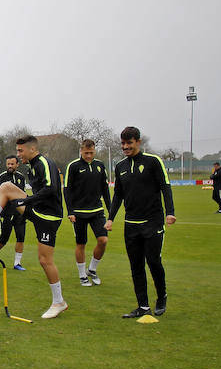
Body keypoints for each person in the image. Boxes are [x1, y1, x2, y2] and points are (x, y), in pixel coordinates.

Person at [0, 135, 67, 319]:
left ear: (32, 149)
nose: (18, 154)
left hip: (49, 217)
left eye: (21, 151)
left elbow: (51, 189)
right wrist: (27, 200)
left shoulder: (44, 163)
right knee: (5, 186)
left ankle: (59, 302)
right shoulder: (32, 166)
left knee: (45, 260)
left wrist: (26, 200)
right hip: (38, 211)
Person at [104, 126, 175, 318]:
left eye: (129, 143)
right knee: (136, 265)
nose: (125, 147)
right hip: (131, 224)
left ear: (138, 142)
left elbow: (165, 187)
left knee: (153, 261)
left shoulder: (153, 162)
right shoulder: (120, 167)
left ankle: (161, 297)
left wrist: (170, 212)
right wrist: (110, 218)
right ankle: (142, 306)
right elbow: (118, 195)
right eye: (123, 143)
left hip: (153, 222)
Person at [63, 140, 111, 286]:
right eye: (86, 153)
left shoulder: (100, 166)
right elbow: (67, 190)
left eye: (91, 153)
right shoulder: (73, 166)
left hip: (97, 211)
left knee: (103, 240)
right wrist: (70, 211)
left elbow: (105, 189)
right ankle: (82, 274)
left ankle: (92, 269)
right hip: (78, 213)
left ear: (94, 151)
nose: (89, 156)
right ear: (81, 151)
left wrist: (111, 212)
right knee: (81, 244)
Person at [0, 155, 27, 271]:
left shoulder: (21, 177)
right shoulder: (2, 177)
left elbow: (23, 194)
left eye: (12, 164)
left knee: (20, 237)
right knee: (4, 238)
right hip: (6, 213)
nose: (10, 166)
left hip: (20, 213)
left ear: (17, 164)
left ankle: (17, 263)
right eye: (8, 164)